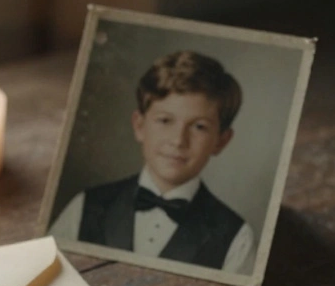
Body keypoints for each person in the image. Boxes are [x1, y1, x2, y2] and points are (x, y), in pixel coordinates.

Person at [51, 50, 255, 273]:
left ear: (221, 141)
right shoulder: (85, 207)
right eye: (165, 120)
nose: (178, 140)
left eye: (199, 127)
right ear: (139, 126)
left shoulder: (236, 238)